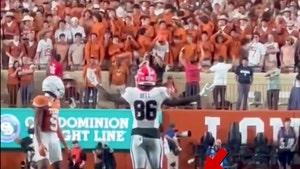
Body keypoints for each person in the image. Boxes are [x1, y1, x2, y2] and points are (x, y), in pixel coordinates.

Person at [86, 61, 214, 169]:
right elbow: (177, 101)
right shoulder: (159, 92)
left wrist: (96, 83)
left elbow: (110, 97)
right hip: (153, 134)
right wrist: (199, 95)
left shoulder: (132, 92)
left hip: (137, 134)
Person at [32, 75, 70, 169]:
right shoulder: (41, 100)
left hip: (53, 136)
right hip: (42, 134)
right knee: (43, 165)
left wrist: (65, 145)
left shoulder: (56, 102)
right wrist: (40, 143)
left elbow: (56, 126)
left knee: (58, 165)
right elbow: (37, 125)